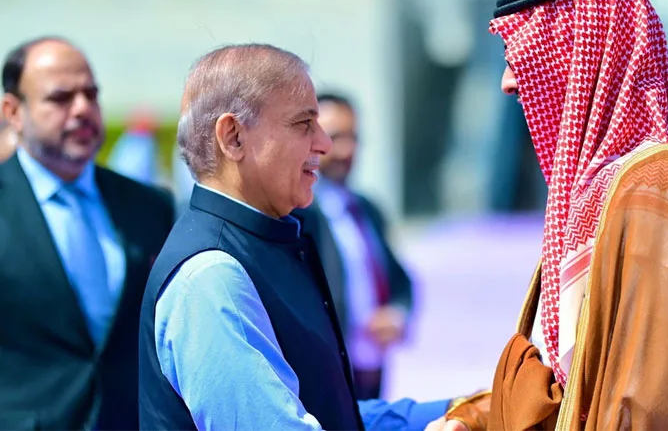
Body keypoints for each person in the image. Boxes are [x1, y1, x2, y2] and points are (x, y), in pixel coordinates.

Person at [432, 0, 668, 429]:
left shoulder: (655, 184)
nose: (507, 83)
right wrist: (473, 419)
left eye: (521, 59)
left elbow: (648, 405)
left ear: (581, 57)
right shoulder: (605, 187)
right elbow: (573, 383)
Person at [138, 43, 451, 430]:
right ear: (233, 137)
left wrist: (456, 411)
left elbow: (332, 414)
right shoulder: (211, 275)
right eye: (304, 124)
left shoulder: (268, 240)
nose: (324, 144)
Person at [0, 36, 175, 429]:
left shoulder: (149, 206)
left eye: (91, 94)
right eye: (60, 98)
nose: (82, 109)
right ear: (13, 111)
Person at [293, 92, 414, 401]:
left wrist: (397, 315)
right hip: (323, 377)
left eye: (354, 138)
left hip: (370, 375)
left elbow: (399, 280)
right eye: (336, 137)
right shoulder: (296, 216)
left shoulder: (368, 210)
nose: (347, 150)